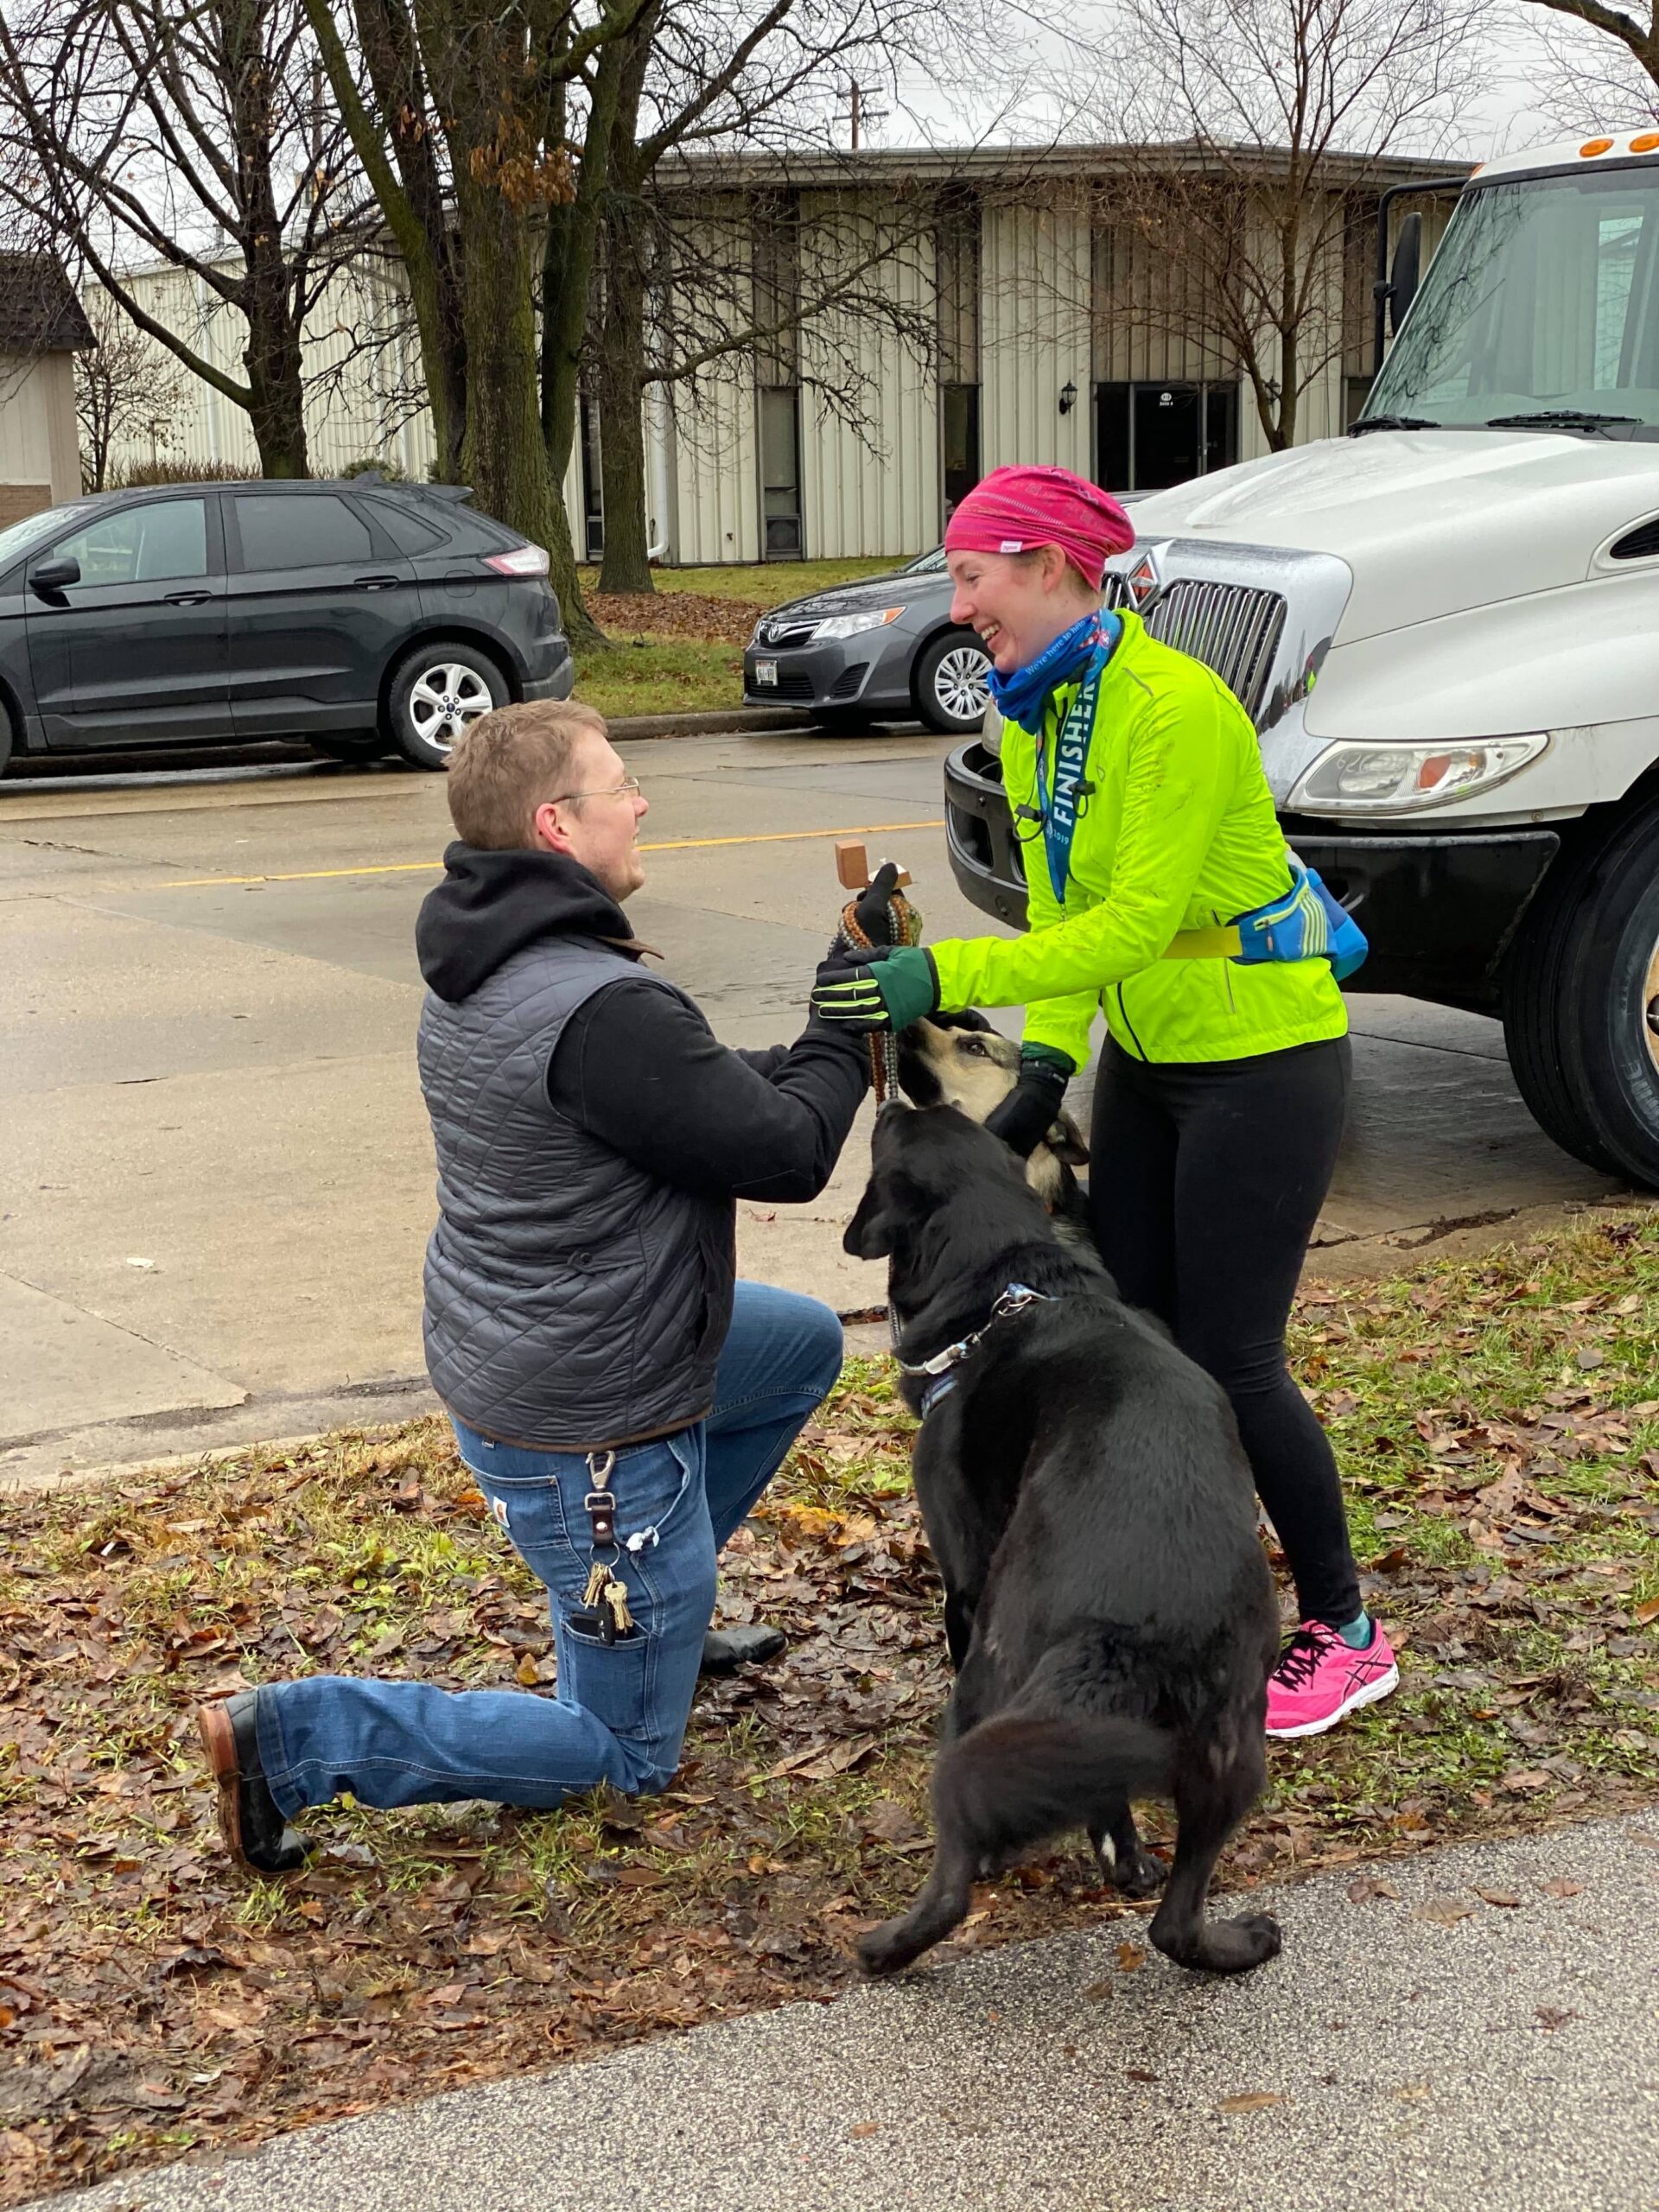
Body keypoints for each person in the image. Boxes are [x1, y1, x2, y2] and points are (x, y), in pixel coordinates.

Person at [199, 699, 880, 1872]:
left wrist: (814, 1042)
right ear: (558, 825)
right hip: (595, 1422)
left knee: (802, 1342)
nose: (643, 802)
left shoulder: (489, 956)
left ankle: (663, 1601)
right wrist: (843, 1010)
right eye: (621, 784)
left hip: (542, 1346)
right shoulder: (599, 1002)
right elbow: (785, 1151)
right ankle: (296, 1739)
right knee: (623, 1751)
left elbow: (692, 1095)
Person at [813, 464, 1396, 1740]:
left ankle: (1347, 1632)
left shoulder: (1174, 709)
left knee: (1233, 1360)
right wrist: (1045, 1070)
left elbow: (1134, 922)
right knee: (1136, 1349)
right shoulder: (1033, 714)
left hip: (1267, 1059)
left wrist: (939, 973)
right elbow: (1066, 919)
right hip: (1152, 1058)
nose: (959, 604)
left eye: (973, 576)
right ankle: (1171, 1600)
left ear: (1058, 571)